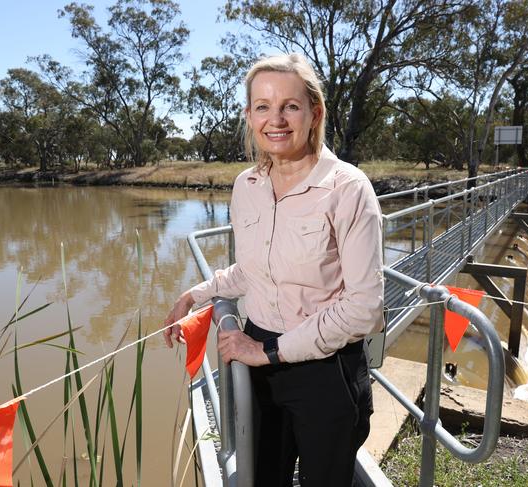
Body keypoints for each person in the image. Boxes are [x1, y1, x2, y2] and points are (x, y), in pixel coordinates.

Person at [164, 53, 384, 487]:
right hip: (259, 356)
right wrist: (197, 295)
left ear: (314, 112)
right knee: (262, 476)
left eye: (290, 106)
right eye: (263, 106)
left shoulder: (348, 189)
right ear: (249, 116)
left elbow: (364, 309)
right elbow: (254, 270)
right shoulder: (246, 186)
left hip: (327, 369)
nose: (276, 119)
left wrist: (268, 352)